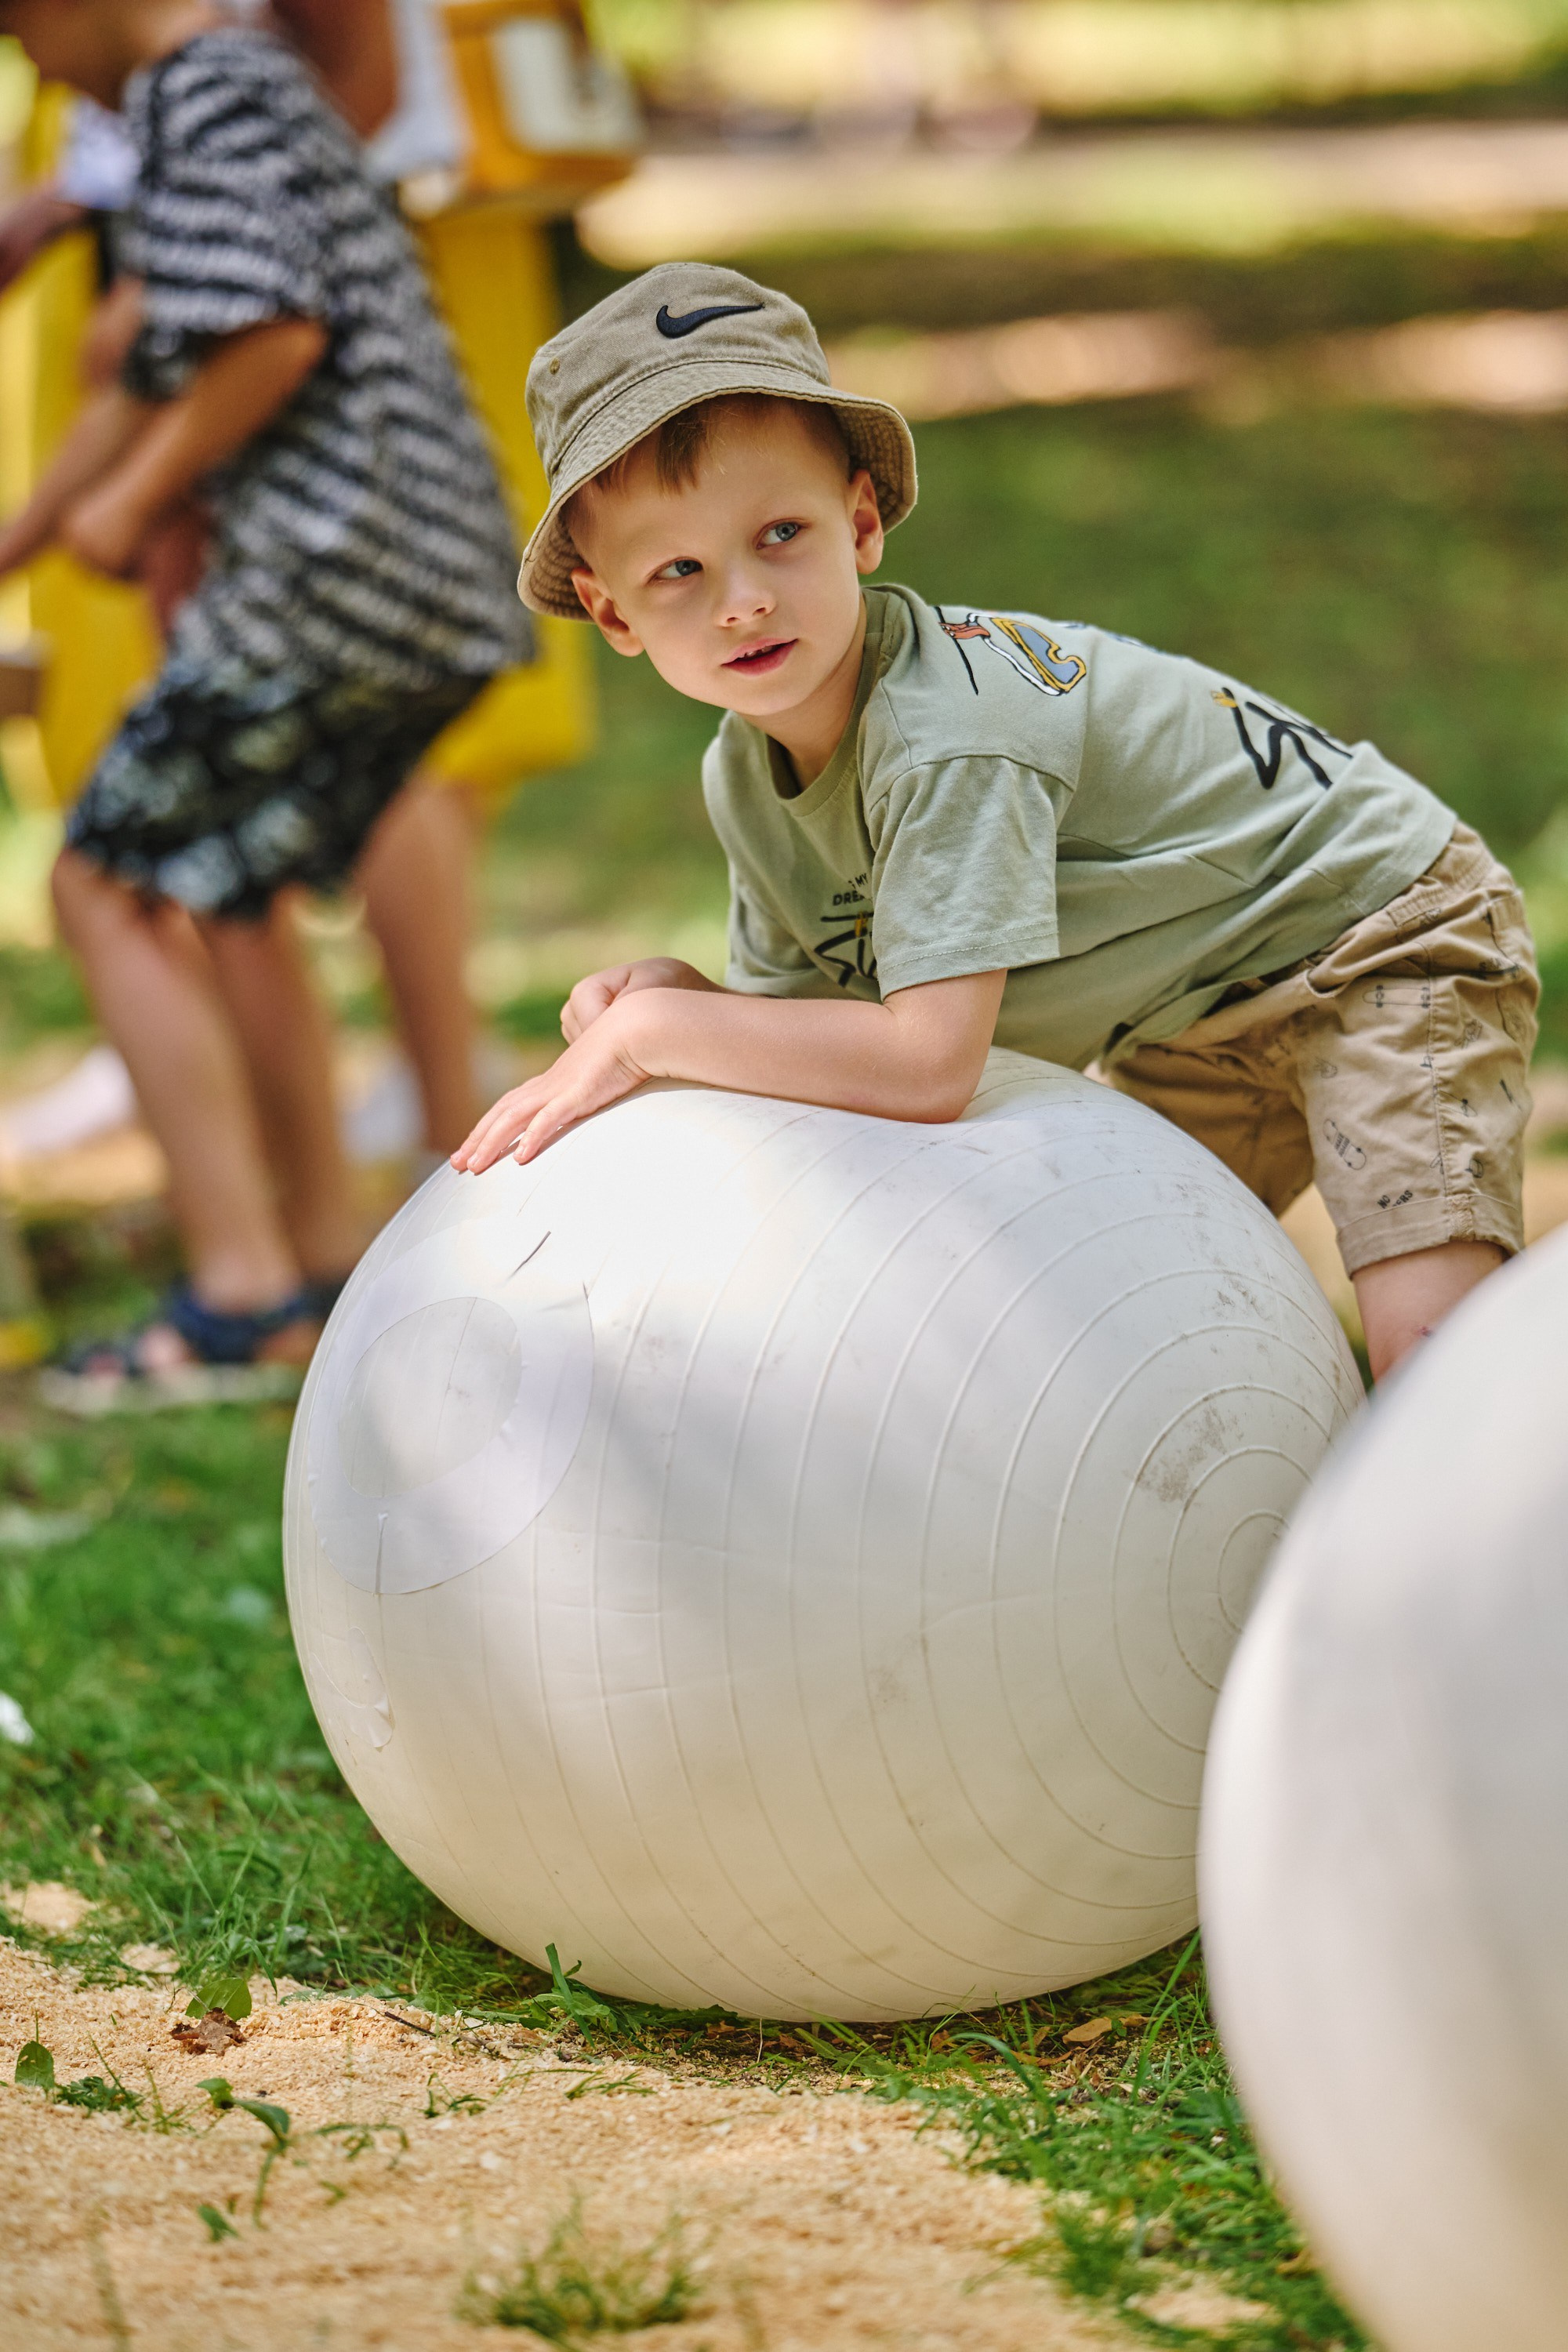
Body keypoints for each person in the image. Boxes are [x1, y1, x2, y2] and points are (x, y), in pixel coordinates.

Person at [454, 262, 1538, 1385]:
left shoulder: (948, 732)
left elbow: (924, 1066)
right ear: (610, 611)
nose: (743, 598)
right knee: (1135, 1339)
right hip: (1187, 1014)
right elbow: (822, 1058)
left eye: (781, 532)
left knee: (1433, 1376)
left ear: (861, 522)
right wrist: (689, 1001)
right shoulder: (748, 773)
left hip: (1376, 936)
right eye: (679, 568)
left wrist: (653, 1041)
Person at [0, 0, 525, 1401]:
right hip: (426, 584)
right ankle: (321, 1257)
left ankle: (236, 1292)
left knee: (103, 884)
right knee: (226, 895)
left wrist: (130, 502)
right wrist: (35, 534)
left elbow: (272, 335)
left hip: (329, 579)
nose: (24, 60)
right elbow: (164, 358)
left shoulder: (205, 91)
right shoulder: (223, 92)